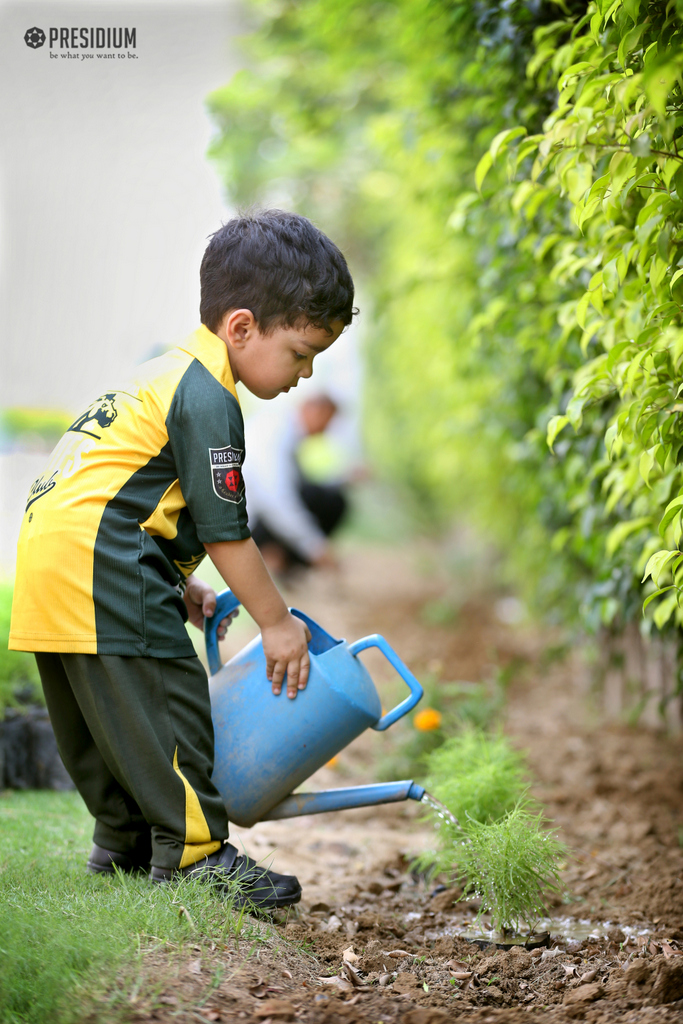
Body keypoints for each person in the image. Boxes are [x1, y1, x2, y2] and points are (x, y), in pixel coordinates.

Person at [8, 210, 356, 910]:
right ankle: (199, 856)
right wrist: (278, 623)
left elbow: (130, 492)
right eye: (300, 352)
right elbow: (228, 531)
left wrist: (180, 580)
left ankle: (124, 845)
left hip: (49, 560)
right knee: (169, 702)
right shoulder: (207, 395)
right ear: (241, 328)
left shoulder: (156, 377)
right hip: (102, 563)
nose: (304, 373)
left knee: (101, 716)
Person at [246, 394, 348, 575]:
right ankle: (275, 557)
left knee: (323, 494)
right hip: (251, 522)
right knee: (331, 501)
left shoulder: (282, 429)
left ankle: (279, 558)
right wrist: (314, 545)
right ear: (315, 410)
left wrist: (343, 479)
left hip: (254, 515)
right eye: (327, 421)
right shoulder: (277, 431)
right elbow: (276, 498)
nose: (326, 430)